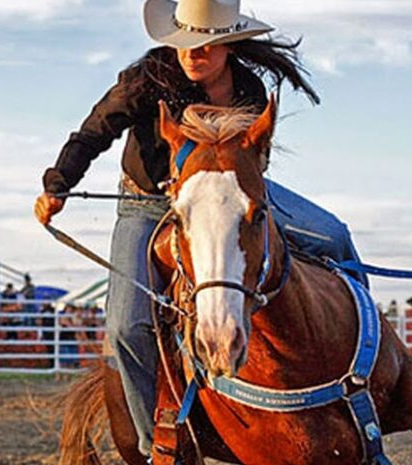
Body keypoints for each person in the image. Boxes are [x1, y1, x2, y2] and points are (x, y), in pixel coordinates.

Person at [34, 0, 368, 457]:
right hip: (150, 204)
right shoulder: (146, 80)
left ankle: (361, 373)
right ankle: (157, 447)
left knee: (334, 235)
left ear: (227, 44)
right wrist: (59, 184)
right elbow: (94, 131)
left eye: (206, 44)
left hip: (231, 196)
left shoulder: (249, 93)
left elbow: (254, 163)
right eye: (186, 41)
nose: (193, 53)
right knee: (126, 325)